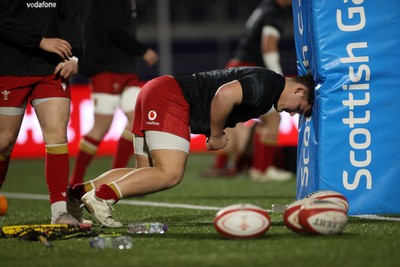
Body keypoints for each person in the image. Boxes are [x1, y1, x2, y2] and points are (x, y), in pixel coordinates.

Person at [67, 66, 315, 227]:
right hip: (171, 97)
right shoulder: (268, 84)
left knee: (144, 170)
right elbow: (224, 95)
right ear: (299, 90)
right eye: (299, 108)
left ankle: (79, 194)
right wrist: (216, 134)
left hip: (156, 90)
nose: (294, 115)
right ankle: (101, 197)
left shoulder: (268, 87)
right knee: (169, 173)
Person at [0, 0, 82, 225]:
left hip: (52, 70)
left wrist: (74, 58)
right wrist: (39, 41)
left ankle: (60, 212)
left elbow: (73, 15)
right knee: (3, 142)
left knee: (57, 135)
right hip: (10, 68)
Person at [69, 0, 159, 187]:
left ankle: (117, 178)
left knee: (137, 120)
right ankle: (75, 179)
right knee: (102, 126)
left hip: (126, 68)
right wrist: (142, 50)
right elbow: (114, 28)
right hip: (106, 68)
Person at [202, 0, 294, 181]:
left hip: (236, 67)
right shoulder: (274, 12)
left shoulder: (263, 8)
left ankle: (228, 165)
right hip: (250, 71)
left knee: (235, 122)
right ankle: (261, 169)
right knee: (273, 117)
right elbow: (268, 47)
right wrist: (279, 79)